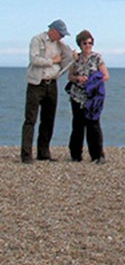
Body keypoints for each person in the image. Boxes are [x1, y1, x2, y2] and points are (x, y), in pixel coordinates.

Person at [21, 19, 73, 163]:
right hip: (36, 84)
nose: (62, 37)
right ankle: (26, 154)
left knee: (48, 119)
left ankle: (43, 152)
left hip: (52, 84)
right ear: (53, 31)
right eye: (61, 34)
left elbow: (67, 58)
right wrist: (52, 61)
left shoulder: (60, 45)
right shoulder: (37, 40)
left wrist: (69, 57)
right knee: (30, 119)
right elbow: (34, 59)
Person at [67, 30, 110, 163]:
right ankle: (76, 155)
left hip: (92, 97)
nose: (88, 45)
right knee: (77, 125)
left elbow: (106, 76)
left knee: (93, 125)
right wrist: (78, 78)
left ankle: (97, 155)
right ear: (80, 44)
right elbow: (70, 76)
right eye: (85, 43)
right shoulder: (76, 59)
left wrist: (93, 80)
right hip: (77, 95)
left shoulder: (97, 58)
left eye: (90, 43)